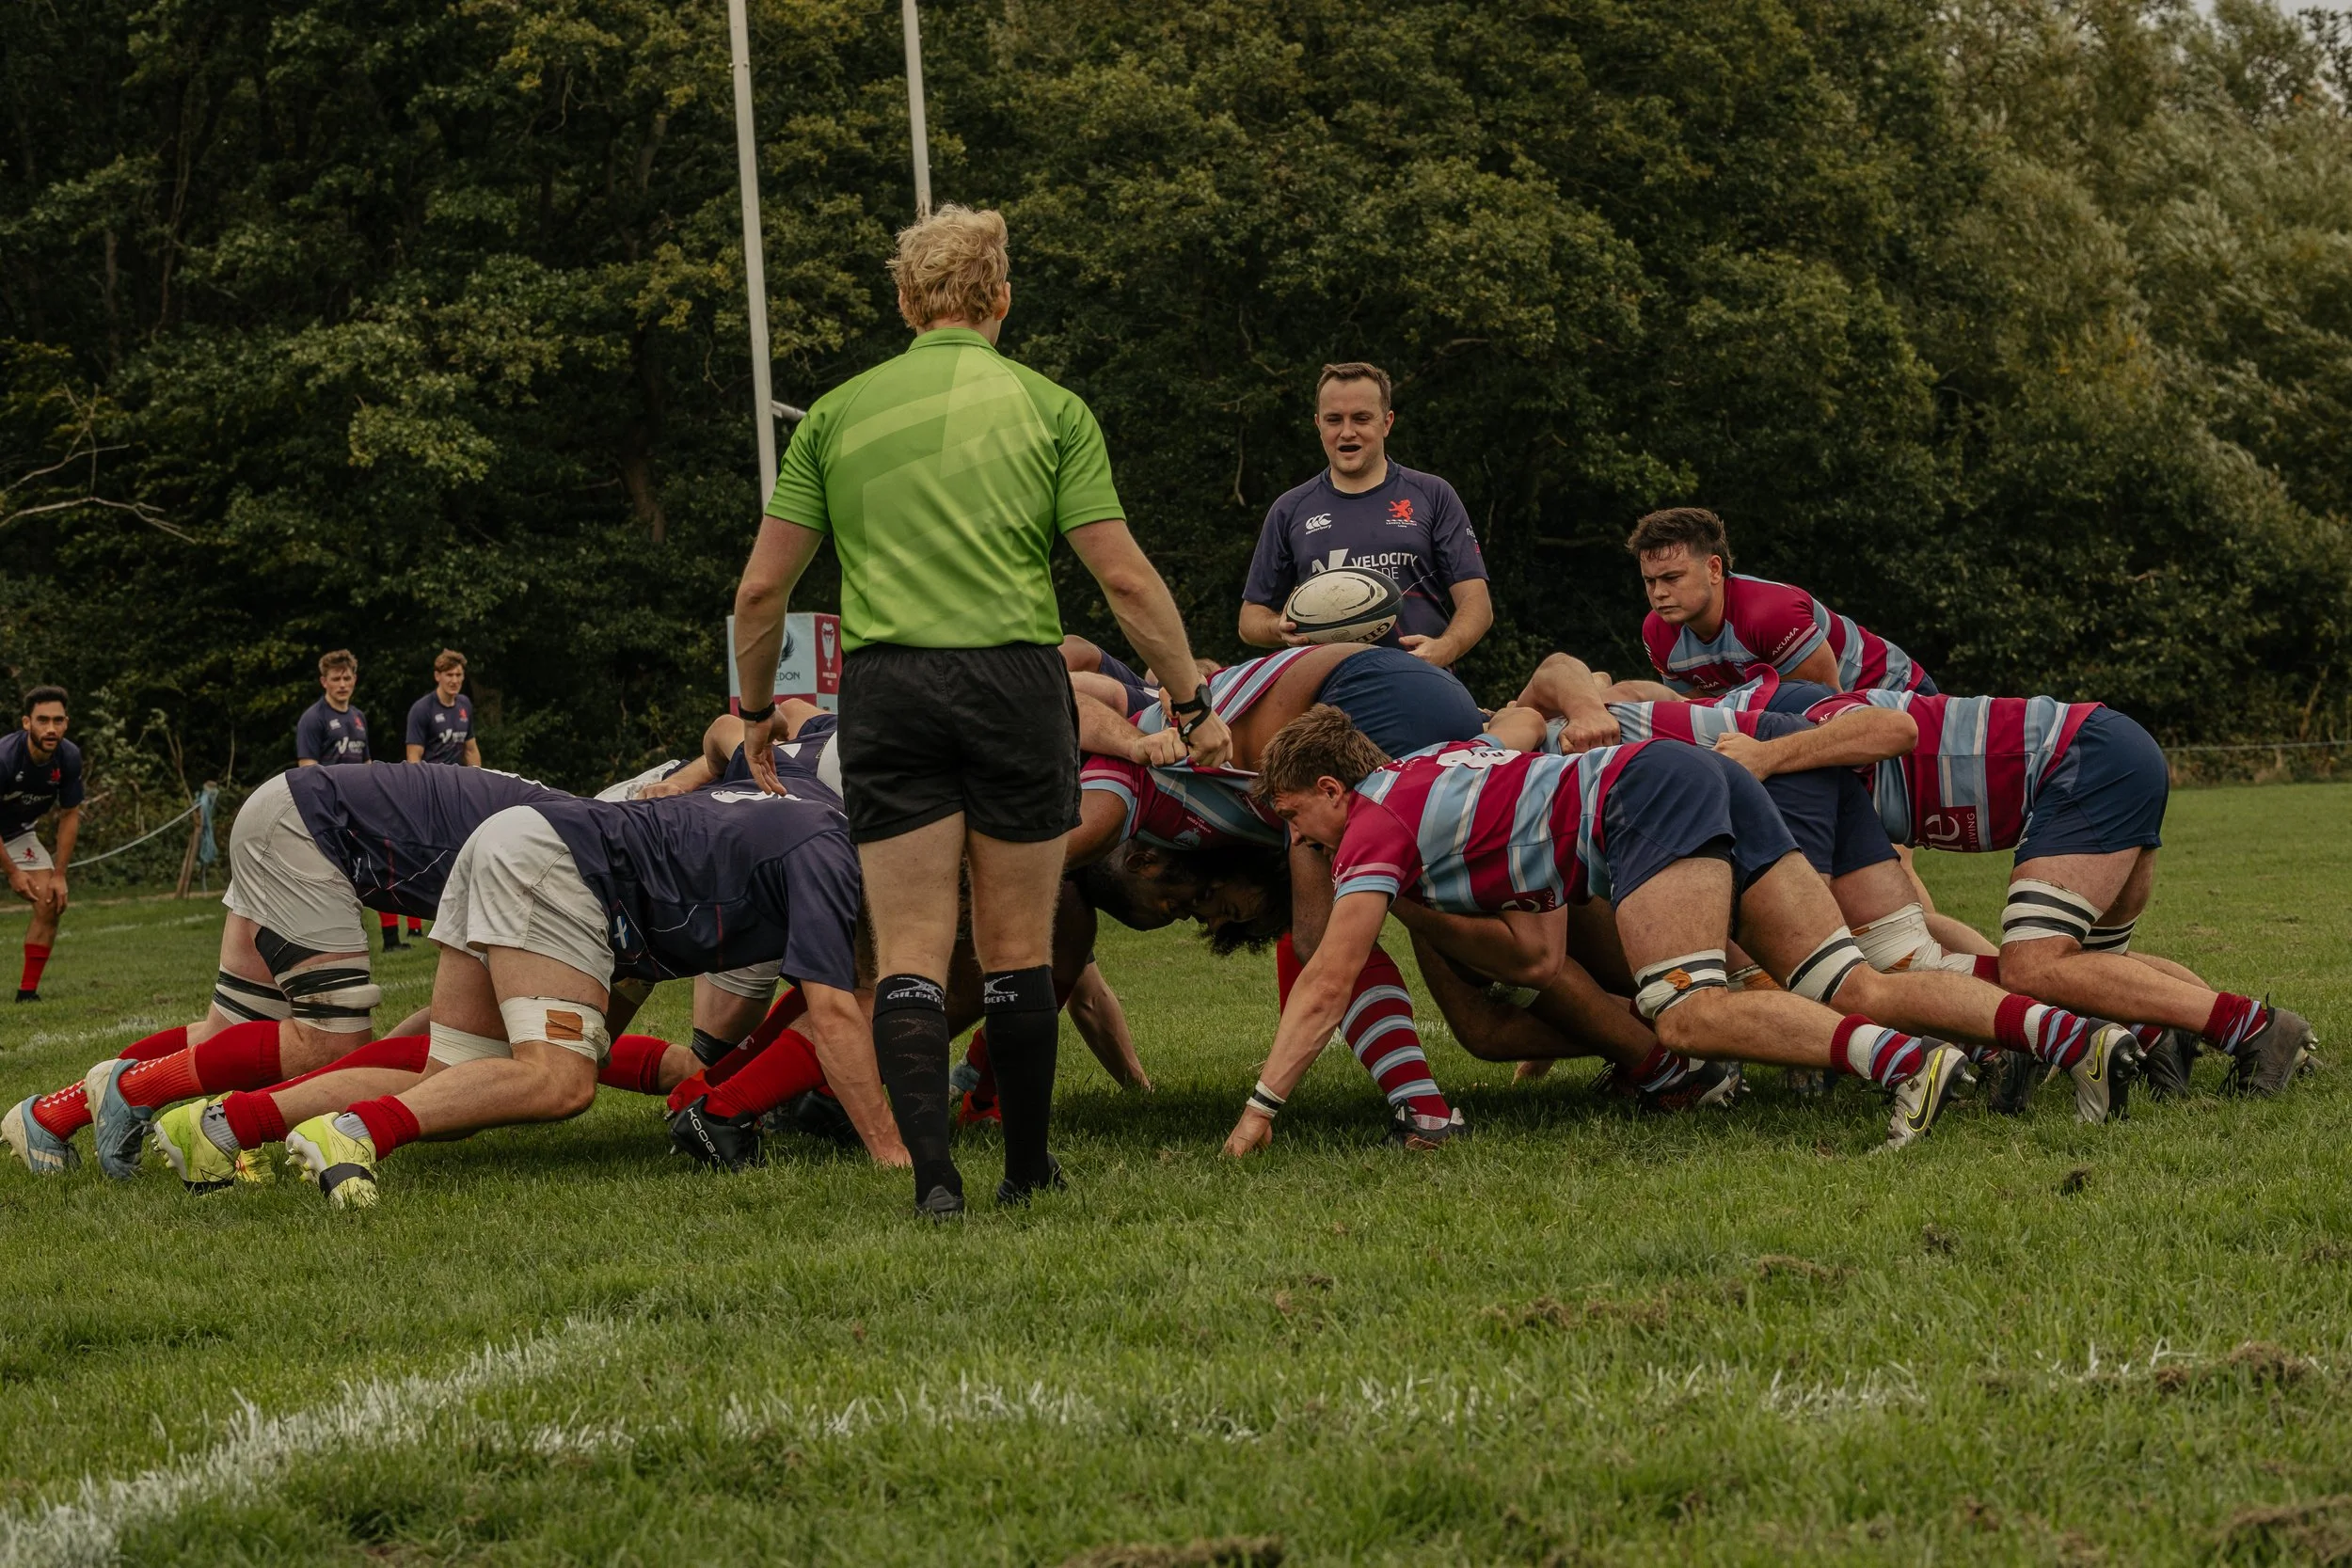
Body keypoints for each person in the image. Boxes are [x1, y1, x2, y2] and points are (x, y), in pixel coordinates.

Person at [730, 203, 1229, 1219]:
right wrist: (1192, 698)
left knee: (909, 947)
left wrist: (751, 707)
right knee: (1015, 945)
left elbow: (757, 595)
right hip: (1013, 683)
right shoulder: (1051, 408)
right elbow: (1126, 581)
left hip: (889, 688)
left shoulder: (833, 415)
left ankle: (932, 1180)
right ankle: (1026, 1167)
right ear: (1002, 297)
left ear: (907, 303)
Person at [1231, 707, 1983, 1156]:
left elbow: (1330, 975)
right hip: (1676, 782)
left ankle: (1908, 1060)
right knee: (1850, 979)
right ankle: (2066, 1037)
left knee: (1688, 1008)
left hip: (1641, 796)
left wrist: (1260, 1108)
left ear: (1333, 787)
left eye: (1298, 817)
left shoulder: (1373, 823)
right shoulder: (1431, 769)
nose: (1304, 839)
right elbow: (1534, 950)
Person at [269, 782, 903, 1208]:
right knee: (559, 1082)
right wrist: (890, 1151)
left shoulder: (809, 821)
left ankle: (237, 1121)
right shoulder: (831, 853)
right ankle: (352, 1128)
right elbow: (836, 1011)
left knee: (451, 1083)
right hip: (559, 864)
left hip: (527, 842)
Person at [1721, 684, 2316, 1097]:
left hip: (2084, 760)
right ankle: (2172, 1036)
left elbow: (1894, 727)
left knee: (2035, 966)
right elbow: (1905, 908)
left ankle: (2257, 1030)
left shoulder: (1819, 725)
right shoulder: (1828, 775)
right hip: (2103, 752)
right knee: (2093, 970)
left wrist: (1767, 753)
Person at [3, 761, 569, 1179]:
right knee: (328, 1041)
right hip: (308, 830)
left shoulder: (570, 825)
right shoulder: (572, 857)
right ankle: (134, 1087)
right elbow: (558, 1046)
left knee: (227, 1035)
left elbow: (465, 1025)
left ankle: (52, 1115)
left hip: (289, 812)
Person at [1239, 363, 1492, 668]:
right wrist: (1278, 627)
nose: (1347, 432)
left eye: (1361, 418)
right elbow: (1249, 620)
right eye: (1334, 420)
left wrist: (1444, 649)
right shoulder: (1290, 509)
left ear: (1386, 423)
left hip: (1422, 683)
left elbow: (1477, 604)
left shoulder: (1433, 494)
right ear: (1318, 424)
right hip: (1327, 690)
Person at [1628, 508, 1932, 697]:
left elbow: (1825, 708)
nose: (1659, 593)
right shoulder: (1656, 633)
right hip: (1834, 710)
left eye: (1672, 578)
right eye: (1650, 581)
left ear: (1714, 569)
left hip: (1896, 690)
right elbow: (1697, 713)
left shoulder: (1768, 613)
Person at [1, 686, 81, 1003]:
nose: (51, 729)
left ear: (66, 722)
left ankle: (27, 993)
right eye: (42, 720)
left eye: (58, 720)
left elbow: (70, 815)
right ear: (26, 723)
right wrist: (12, 872)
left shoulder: (68, 757)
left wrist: (59, 874)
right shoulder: (5, 759)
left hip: (17, 832)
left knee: (50, 900)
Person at [405, 650, 480, 767]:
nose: (454, 681)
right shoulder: (422, 709)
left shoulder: (465, 704)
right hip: (432, 780)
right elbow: (414, 757)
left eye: (458, 675)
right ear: (437, 676)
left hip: (457, 778)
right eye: (449, 675)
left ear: (463, 676)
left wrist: (477, 780)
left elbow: (470, 750)